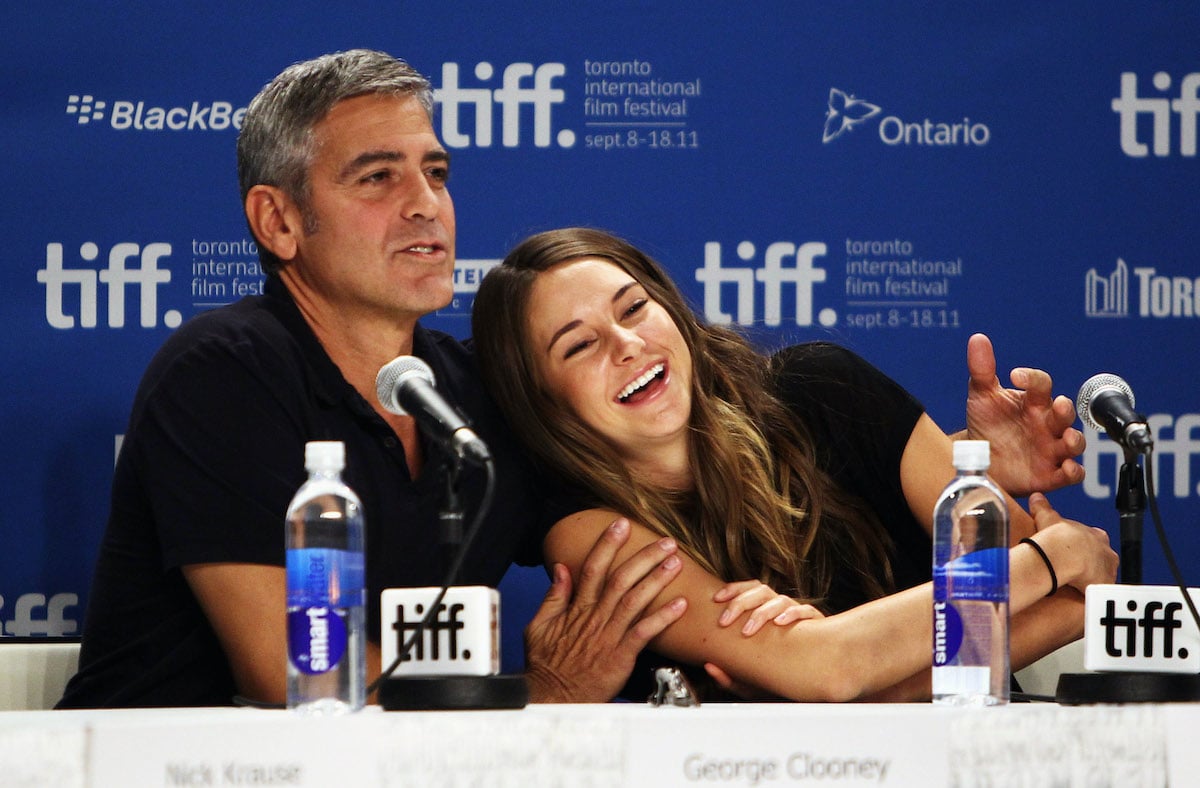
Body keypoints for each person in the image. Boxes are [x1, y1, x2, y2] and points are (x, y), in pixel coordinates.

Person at [58, 51, 704, 709]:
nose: (426, 205)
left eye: (436, 172)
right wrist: (542, 699)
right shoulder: (222, 372)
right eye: (377, 178)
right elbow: (300, 673)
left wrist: (777, 630)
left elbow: (626, 561)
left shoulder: (478, 396)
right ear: (278, 222)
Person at [471, 226, 1119, 701]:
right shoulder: (585, 527)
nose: (629, 345)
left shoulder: (827, 388)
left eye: (635, 307)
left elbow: (1084, 600)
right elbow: (829, 670)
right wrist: (1048, 557)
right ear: (541, 403)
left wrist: (877, 691)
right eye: (580, 345)